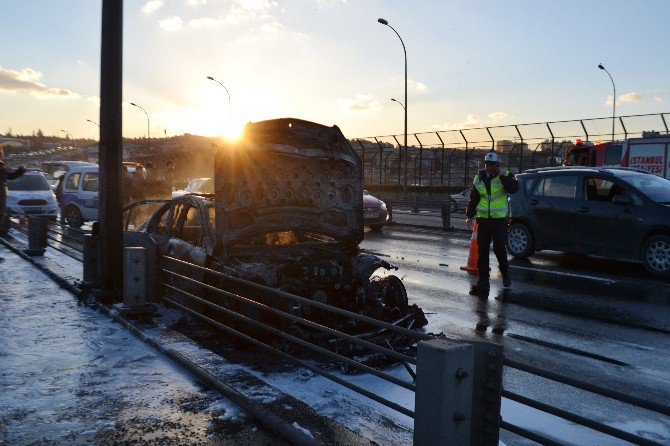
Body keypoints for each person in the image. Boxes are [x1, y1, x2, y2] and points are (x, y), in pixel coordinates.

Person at [465, 151, 519, 292]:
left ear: (497, 165)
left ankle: (506, 273)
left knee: (499, 249)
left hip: (499, 220)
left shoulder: (506, 176)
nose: (489, 167)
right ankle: (483, 282)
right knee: (482, 251)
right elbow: (474, 198)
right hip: (483, 220)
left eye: (492, 164)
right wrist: (469, 216)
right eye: (487, 164)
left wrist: (501, 176)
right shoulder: (479, 178)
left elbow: (514, 188)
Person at [0, 146, 27, 238]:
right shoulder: (1, 167)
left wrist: (20, 171)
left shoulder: (2, 166)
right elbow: (10, 176)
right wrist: (21, 171)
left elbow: (10, 176)